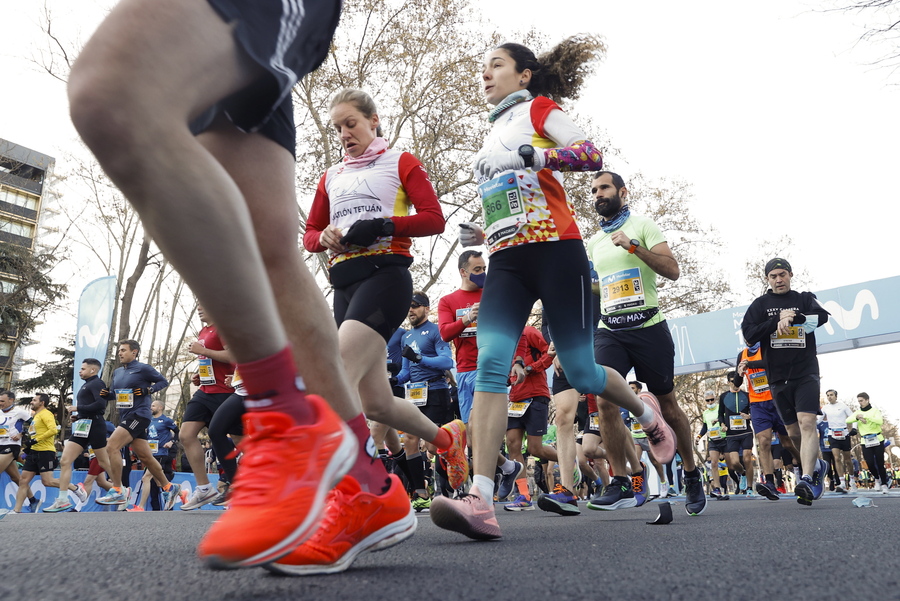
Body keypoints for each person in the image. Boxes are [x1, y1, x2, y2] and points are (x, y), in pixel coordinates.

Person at [68, 0, 419, 570]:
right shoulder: (334, 176)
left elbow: (430, 218)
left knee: (112, 97)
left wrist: (381, 226)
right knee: (264, 248)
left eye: (354, 124)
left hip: (388, 277)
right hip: (343, 278)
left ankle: (286, 418)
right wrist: (325, 237)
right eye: (340, 127)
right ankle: (364, 484)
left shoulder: (397, 161)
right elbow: (302, 240)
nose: (346, 134)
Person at [429, 38, 676, 541]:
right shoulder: (489, 133)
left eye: (495, 65)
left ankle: (647, 414)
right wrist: (483, 230)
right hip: (507, 261)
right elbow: (511, 195)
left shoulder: (537, 110)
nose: (485, 73)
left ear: (523, 75)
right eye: (483, 67)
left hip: (558, 253)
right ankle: (481, 497)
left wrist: (530, 156)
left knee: (583, 372)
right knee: (491, 366)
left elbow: (589, 154)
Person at [584, 170, 707, 516]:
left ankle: (692, 473)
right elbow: (600, 286)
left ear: (623, 192)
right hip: (610, 330)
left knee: (668, 406)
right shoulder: (593, 243)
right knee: (605, 399)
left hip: (649, 326)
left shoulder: (643, 226)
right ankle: (620, 481)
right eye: (593, 190)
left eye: (604, 187)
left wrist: (633, 246)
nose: (597, 194)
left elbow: (672, 270)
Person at [741, 258, 830, 506]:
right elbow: (749, 336)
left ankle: (808, 477)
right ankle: (818, 465)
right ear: (767, 279)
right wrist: (776, 321)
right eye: (773, 276)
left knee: (807, 422)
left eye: (782, 274)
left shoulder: (804, 299)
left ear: (790, 274)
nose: (778, 280)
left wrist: (796, 317)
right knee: (792, 433)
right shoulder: (760, 305)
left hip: (805, 371)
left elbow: (822, 318)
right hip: (778, 376)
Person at [96, 340, 181, 509]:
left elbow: (163, 382)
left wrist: (147, 390)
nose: (120, 353)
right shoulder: (118, 372)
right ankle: (169, 487)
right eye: (119, 351)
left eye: (123, 350)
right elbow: (117, 394)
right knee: (146, 457)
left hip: (139, 414)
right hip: (126, 415)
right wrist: (108, 395)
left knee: (111, 446)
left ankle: (118, 490)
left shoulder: (143, 368)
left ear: (134, 352)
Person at [393, 291, 455, 509]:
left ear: (426, 308)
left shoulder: (436, 331)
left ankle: (448, 485)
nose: (410, 310)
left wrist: (419, 357)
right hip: (415, 395)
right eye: (408, 306)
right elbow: (406, 372)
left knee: (431, 445)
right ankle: (421, 493)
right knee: (409, 438)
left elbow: (447, 362)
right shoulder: (406, 337)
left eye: (415, 306)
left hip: (436, 391)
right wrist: (393, 379)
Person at [181, 306, 235, 510]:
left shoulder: (224, 327)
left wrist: (202, 351)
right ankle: (204, 489)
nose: (199, 309)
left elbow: (232, 356)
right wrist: (200, 375)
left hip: (226, 391)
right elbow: (209, 360)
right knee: (186, 435)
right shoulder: (204, 331)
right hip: (205, 390)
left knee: (238, 440)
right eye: (197, 306)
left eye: (204, 304)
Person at [504, 326, 558, 512]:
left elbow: (549, 354)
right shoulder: (502, 338)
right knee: (512, 445)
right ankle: (524, 496)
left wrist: (529, 369)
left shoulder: (529, 331)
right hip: (515, 400)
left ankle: (568, 462)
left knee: (535, 449)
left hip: (536, 395)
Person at [45, 360, 110, 512]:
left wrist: (78, 408)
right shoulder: (87, 384)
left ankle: (120, 489)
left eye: (82, 369)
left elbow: (101, 405)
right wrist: (80, 415)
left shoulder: (97, 383)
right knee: (65, 460)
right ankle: (62, 499)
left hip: (95, 426)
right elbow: (90, 407)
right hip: (83, 426)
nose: (79, 371)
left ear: (93, 370)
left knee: (103, 461)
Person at [737, 343, 800, 500]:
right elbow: (737, 382)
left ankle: (802, 465)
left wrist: (750, 364)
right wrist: (739, 372)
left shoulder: (768, 349)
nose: (749, 340)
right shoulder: (742, 354)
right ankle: (770, 483)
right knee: (763, 441)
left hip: (777, 399)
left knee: (787, 443)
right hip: (758, 404)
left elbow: (772, 364)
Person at [13, 394, 87, 512]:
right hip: (33, 452)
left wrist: (37, 440)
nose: (31, 402)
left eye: (34, 400)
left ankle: (75, 487)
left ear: (42, 403)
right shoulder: (36, 416)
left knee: (47, 481)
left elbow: (53, 430)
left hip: (45, 452)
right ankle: (16, 511)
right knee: (23, 481)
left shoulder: (46, 414)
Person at [437, 250, 486, 426]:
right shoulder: (447, 301)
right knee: (470, 428)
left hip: (489, 367)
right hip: (465, 370)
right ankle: (475, 454)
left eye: (484, 268)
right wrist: (467, 318)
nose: (482, 273)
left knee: (482, 424)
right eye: (477, 269)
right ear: (463, 272)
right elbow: (445, 333)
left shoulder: (493, 294)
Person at [0, 390, 38, 510]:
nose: (0, 403)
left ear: (11, 400)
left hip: (11, 445)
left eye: (2, 401)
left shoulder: (20, 412)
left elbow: (35, 425)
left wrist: (21, 434)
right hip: (0, 444)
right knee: (16, 478)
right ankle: (33, 500)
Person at [847, 393, 891, 493]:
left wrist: (866, 417)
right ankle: (877, 479)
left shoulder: (875, 411)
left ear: (867, 400)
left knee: (880, 463)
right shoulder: (858, 412)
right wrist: (857, 417)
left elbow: (879, 421)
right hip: (865, 440)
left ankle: (884, 484)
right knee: (869, 463)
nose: (860, 403)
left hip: (877, 438)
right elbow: (848, 419)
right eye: (859, 401)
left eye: (861, 400)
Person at [718, 373, 753, 495]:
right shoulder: (723, 397)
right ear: (728, 382)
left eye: (738, 381)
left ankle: (749, 488)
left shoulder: (747, 395)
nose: (735, 383)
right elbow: (720, 414)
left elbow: (754, 412)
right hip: (731, 434)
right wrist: (722, 425)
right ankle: (742, 473)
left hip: (746, 432)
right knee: (733, 463)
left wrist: (749, 416)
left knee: (747, 458)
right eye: (733, 381)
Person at [820, 389, 855, 493]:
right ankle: (842, 482)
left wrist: (854, 428)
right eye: (828, 395)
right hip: (832, 434)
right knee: (836, 458)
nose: (830, 397)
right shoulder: (825, 408)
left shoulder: (843, 406)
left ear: (836, 396)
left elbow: (853, 417)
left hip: (844, 434)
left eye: (831, 395)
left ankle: (852, 481)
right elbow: (819, 419)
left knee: (847, 459)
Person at [696, 390, 728, 498]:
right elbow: (705, 426)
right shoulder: (705, 413)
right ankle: (717, 489)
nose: (710, 402)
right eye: (707, 400)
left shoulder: (720, 408)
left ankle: (741, 474)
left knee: (732, 464)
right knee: (714, 463)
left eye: (712, 399)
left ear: (715, 399)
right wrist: (699, 437)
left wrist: (720, 421)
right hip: (713, 440)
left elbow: (726, 419)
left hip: (724, 438)